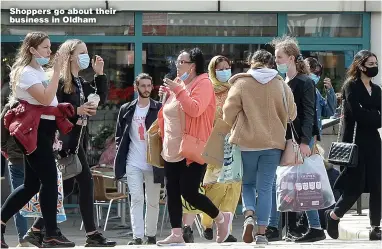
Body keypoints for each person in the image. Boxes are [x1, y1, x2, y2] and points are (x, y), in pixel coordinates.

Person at [25, 39, 115, 247]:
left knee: (64, 186)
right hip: (63, 140)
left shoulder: (80, 82)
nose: (86, 56)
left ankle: (37, 229)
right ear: (70, 55)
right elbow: (53, 111)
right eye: (82, 52)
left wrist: (100, 74)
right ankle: (92, 234)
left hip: (77, 140)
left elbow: (99, 97)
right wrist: (78, 111)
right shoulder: (60, 81)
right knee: (85, 181)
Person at [0, 31, 75, 248]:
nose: (49, 52)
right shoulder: (24, 72)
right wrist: (57, 71)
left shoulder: (38, 70)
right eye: (45, 47)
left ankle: (3, 224)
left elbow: (48, 97)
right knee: (49, 180)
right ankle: (51, 233)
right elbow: (44, 97)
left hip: (44, 129)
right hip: (34, 130)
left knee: (31, 185)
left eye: (50, 47)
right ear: (32, 50)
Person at [156, 48, 233, 246]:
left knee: (189, 192)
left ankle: (221, 219)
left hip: (192, 147)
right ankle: (176, 233)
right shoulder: (179, 83)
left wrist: (178, 91)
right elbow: (169, 114)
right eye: (177, 61)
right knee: (172, 192)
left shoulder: (203, 83)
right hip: (171, 148)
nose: (177, 64)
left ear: (193, 65)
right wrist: (167, 95)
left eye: (182, 61)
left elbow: (195, 109)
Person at [223, 50, 297, 245]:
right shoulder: (280, 84)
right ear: (272, 64)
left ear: (251, 62)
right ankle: (262, 233)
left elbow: (227, 111)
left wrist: (235, 123)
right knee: (265, 188)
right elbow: (292, 113)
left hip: (247, 143)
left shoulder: (241, 83)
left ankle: (248, 216)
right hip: (273, 144)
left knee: (247, 184)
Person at [267, 35, 326, 243]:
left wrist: (305, 141)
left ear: (291, 58)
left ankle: (316, 227)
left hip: (299, 140)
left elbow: (309, 113)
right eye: (276, 58)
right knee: (285, 183)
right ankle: (276, 227)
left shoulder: (305, 82)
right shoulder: (284, 82)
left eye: (280, 57)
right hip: (287, 139)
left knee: (302, 183)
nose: (277, 62)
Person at [325, 50, 381, 241]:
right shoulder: (351, 86)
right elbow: (356, 114)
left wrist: (371, 115)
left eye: (376, 63)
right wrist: (374, 115)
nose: (374, 67)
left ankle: (375, 226)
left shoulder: (378, 90)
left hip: (373, 142)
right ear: (360, 66)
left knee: (377, 184)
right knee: (354, 186)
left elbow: (378, 117)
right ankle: (333, 216)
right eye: (371, 64)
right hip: (354, 143)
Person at [114, 73, 163, 245]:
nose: (147, 89)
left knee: (152, 201)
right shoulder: (126, 109)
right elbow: (119, 136)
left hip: (154, 162)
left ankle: (150, 235)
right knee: (136, 198)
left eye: (149, 85)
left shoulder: (159, 108)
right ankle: (137, 236)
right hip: (132, 162)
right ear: (136, 87)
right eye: (143, 85)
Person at [201, 55, 241, 243]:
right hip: (214, 144)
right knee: (215, 186)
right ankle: (208, 222)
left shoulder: (236, 90)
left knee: (233, 187)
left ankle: (226, 230)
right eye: (220, 68)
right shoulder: (207, 90)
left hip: (235, 144)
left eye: (227, 67)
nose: (225, 71)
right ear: (213, 70)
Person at [1, 98, 28, 247]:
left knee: (18, 199)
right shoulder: (38, 102)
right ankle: (41, 233)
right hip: (34, 156)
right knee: (44, 196)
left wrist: (6, 149)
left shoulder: (9, 106)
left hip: (16, 157)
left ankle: (23, 239)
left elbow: (1, 131)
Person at [305, 57, 337, 138]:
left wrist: (330, 91)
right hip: (303, 137)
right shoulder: (298, 89)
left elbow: (329, 112)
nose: (315, 76)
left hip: (314, 136)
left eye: (317, 74)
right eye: (312, 71)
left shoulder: (316, 92)